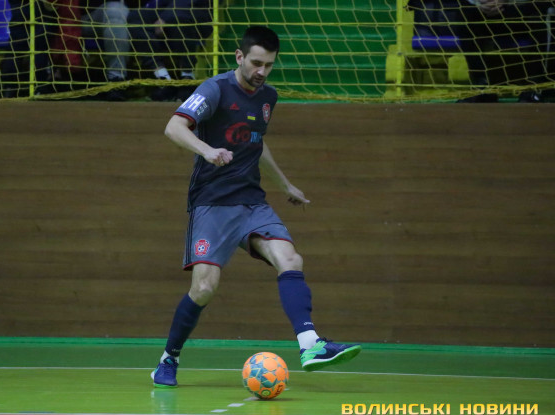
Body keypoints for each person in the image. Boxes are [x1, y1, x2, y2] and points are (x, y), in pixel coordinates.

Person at [150, 25, 361, 388]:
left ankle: (310, 345)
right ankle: (168, 359)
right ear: (240, 57)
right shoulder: (215, 89)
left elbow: (256, 142)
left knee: (291, 259)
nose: (262, 71)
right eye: (256, 63)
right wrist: (207, 150)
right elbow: (174, 127)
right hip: (213, 202)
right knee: (204, 288)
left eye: (269, 65)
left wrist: (285, 184)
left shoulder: (268, 97)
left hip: (252, 202)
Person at [408, 0, 554, 102]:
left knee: (544, 10)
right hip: (492, 11)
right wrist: (481, 3)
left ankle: (536, 87)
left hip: (524, 9)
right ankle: (482, 88)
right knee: (466, 11)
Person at [127, 0, 213, 101]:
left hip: (195, 8)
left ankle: (187, 79)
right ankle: (163, 78)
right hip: (165, 8)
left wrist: (165, 17)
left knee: (178, 16)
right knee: (136, 17)